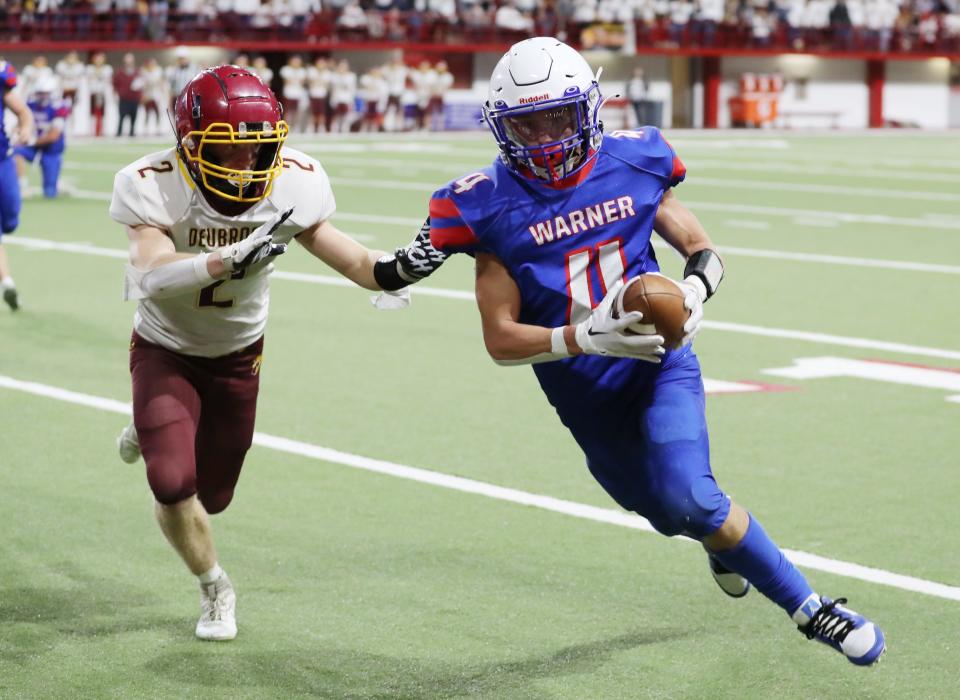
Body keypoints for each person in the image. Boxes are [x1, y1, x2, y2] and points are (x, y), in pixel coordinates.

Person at [416, 38, 886, 666]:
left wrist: (692, 291)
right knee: (671, 514)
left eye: (557, 116)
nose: (545, 136)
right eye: (526, 123)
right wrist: (582, 336)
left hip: (661, 364)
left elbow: (705, 251)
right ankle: (720, 546)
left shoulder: (636, 162)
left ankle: (813, 608)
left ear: (588, 109)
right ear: (501, 128)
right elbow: (500, 337)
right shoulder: (486, 204)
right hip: (584, 390)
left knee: (692, 498)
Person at [109, 65, 433, 641]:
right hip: (166, 345)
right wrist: (223, 260)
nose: (242, 164)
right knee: (171, 479)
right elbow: (149, 273)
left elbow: (357, 262)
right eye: (225, 151)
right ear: (187, 144)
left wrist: (400, 268)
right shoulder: (151, 181)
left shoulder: (293, 181)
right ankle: (214, 587)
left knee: (215, 494)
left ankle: (149, 424)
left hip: (237, 351)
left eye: (256, 150)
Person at [0, 60, 34, 311]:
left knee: (11, 220)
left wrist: (25, 129)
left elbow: (23, 112)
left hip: (3, 160)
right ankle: (7, 282)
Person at [14, 75, 70, 199]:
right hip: (33, 145)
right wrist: (18, 135)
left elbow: (53, 136)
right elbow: (20, 124)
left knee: (49, 193)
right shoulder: (31, 104)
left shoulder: (59, 107)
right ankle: (22, 185)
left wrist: (32, 140)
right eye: (40, 93)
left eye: (46, 93)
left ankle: (57, 183)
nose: (43, 96)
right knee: (14, 151)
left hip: (51, 150)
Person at [113, 53, 143, 137]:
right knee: (121, 116)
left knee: (133, 116)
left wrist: (140, 95)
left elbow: (141, 84)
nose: (128, 63)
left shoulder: (137, 72)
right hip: (123, 98)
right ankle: (119, 132)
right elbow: (115, 84)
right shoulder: (120, 72)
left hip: (134, 98)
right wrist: (117, 93)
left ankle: (132, 132)